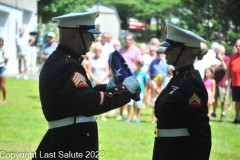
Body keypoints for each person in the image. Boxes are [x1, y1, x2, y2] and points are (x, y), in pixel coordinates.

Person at [33, 10, 140, 160]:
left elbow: (79, 95)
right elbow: (88, 103)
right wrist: (125, 90)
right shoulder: (67, 65)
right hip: (70, 143)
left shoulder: (62, 60)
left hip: (67, 139)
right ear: (74, 35)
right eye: (88, 33)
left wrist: (108, 87)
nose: (93, 38)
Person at [152, 23, 211, 160]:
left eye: (170, 49)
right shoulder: (179, 78)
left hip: (179, 152)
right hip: (167, 149)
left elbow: (200, 132)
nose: (165, 52)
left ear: (184, 53)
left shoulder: (190, 82)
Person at [115, 32, 141, 120]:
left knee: (133, 94)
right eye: (125, 39)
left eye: (129, 39)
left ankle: (133, 116)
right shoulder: (120, 49)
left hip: (133, 75)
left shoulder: (137, 50)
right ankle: (121, 114)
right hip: (122, 75)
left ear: (132, 40)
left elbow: (139, 63)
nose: (127, 41)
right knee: (121, 94)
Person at [88, 44, 110, 121]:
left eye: (99, 50)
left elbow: (107, 71)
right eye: (96, 50)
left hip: (103, 80)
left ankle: (102, 115)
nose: (97, 51)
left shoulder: (104, 60)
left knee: (103, 98)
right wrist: (96, 80)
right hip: (94, 81)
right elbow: (89, 71)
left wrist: (101, 80)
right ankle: (93, 112)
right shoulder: (91, 60)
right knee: (94, 97)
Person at [211, 44, 230, 119]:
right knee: (214, 98)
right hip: (214, 82)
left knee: (223, 99)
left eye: (219, 50)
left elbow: (225, 69)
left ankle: (223, 113)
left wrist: (221, 60)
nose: (217, 51)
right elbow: (212, 69)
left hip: (222, 82)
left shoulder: (227, 58)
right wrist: (219, 67)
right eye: (217, 50)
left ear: (223, 51)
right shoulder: (214, 58)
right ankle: (214, 112)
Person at [227, 39, 240, 124]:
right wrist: (228, 79)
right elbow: (229, 69)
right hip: (235, 83)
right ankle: (237, 118)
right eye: (237, 46)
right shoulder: (233, 56)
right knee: (237, 101)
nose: (238, 47)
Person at [0, 38, 9, 104]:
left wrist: (3, 55)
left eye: (1, 44)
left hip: (2, 68)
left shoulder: (5, 50)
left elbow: (6, 60)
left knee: (2, 85)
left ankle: (4, 99)